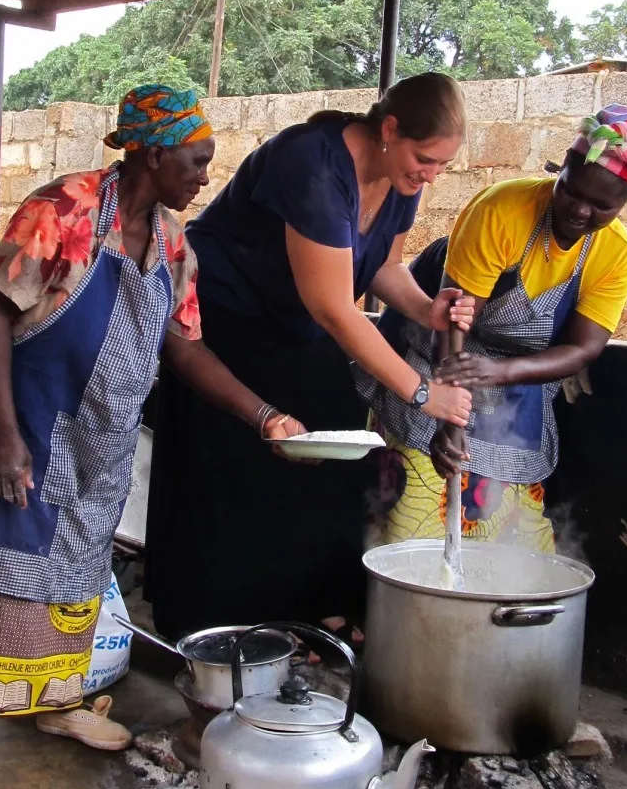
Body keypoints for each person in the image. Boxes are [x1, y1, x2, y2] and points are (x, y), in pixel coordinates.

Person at [0, 85, 308, 779]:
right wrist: (4, 433)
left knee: (73, 580)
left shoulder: (171, 240)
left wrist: (264, 416)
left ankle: (59, 700)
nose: (206, 176)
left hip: (100, 442)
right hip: (31, 422)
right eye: (196, 161)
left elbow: (184, 348)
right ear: (153, 155)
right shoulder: (61, 210)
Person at [145, 73, 474, 640]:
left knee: (334, 445)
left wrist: (427, 311)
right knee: (234, 465)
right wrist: (422, 393)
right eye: (425, 159)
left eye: (442, 165)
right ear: (390, 129)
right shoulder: (312, 163)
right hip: (223, 318)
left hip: (295, 325)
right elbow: (333, 308)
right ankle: (211, 626)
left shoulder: (402, 180)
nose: (430, 175)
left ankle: (308, 609)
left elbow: (383, 268)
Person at [356, 104, 627, 551]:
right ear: (561, 167)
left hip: (517, 381)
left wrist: (500, 373)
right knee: (416, 521)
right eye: (572, 191)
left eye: (602, 206)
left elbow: (583, 350)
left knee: (512, 539)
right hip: (437, 357)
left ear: (623, 204)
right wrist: (449, 416)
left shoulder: (615, 254)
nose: (581, 211)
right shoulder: (503, 210)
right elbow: (452, 319)